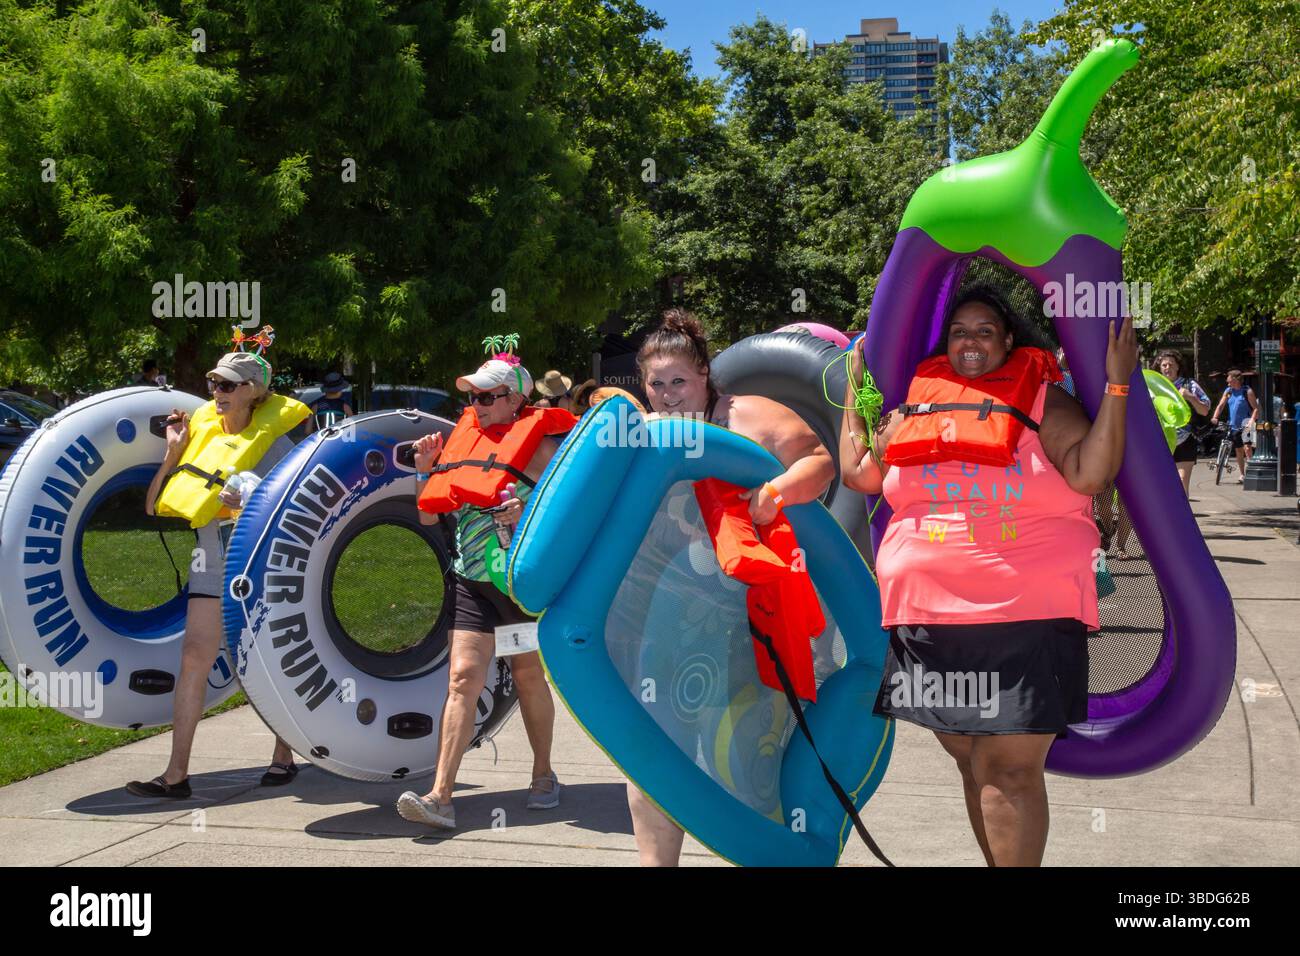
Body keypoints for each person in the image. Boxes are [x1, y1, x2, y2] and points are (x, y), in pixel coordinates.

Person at [841, 285, 1136, 867]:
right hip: (924, 614)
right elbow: (860, 474)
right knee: (969, 758)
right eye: (958, 331)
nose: (969, 341)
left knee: (1007, 767)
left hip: (1023, 612)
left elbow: (1091, 472)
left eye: (983, 330)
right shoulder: (917, 406)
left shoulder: (1042, 401)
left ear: (1008, 339)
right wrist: (856, 389)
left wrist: (1118, 384)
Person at [626, 309, 835, 866]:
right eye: (656, 384)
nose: (669, 396)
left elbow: (820, 462)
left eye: (680, 382)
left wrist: (774, 493)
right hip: (672, 608)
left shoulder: (744, 415)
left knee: (750, 753)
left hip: (750, 612)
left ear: (704, 376)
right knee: (654, 750)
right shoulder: (644, 435)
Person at [395, 347, 573, 829]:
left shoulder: (539, 446)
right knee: (461, 680)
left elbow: (566, 507)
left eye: (488, 395)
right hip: (471, 580)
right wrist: (425, 471)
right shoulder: (462, 440)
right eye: (473, 396)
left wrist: (526, 507)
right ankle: (440, 796)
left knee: (528, 677)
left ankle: (543, 775)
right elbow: (429, 513)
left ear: (516, 398)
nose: (477, 404)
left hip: (514, 586)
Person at [129, 345, 310, 798]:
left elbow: (298, 516)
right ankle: (176, 775)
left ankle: (284, 756)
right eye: (213, 384)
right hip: (211, 564)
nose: (217, 392)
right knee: (194, 656)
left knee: (268, 663)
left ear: (253, 392)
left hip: (260, 567)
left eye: (228, 385)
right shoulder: (201, 436)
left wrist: (245, 507)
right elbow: (153, 505)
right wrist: (173, 452)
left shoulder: (277, 446)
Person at [1155, 350, 1211, 497]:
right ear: (1160, 368)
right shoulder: (1154, 386)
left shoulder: (1189, 384)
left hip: (1185, 439)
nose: (1167, 368)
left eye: (1171, 364)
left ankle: (1181, 518)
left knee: (1181, 481)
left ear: (1178, 367)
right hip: (1161, 441)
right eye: (1164, 365)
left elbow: (1205, 410)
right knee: (1162, 483)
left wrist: (1191, 397)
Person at [1210, 369, 1259, 484]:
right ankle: (1242, 474)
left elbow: (1256, 408)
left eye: (1229, 381)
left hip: (1247, 422)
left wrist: (1252, 420)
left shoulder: (1247, 391)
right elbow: (1221, 405)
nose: (1228, 383)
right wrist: (1215, 417)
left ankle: (1251, 472)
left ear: (1236, 380)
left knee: (1247, 449)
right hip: (1233, 425)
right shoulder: (1229, 391)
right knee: (1238, 450)